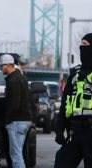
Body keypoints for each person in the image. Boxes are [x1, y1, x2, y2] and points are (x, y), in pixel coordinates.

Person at [54, 33, 92, 167]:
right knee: (61, 163)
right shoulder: (74, 74)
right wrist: (59, 129)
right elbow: (65, 103)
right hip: (75, 131)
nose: (82, 47)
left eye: (85, 45)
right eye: (81, 45)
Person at [0, 54, 32, 168]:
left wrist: (7, 120)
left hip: (16, 121)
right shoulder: (21, 77)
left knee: (16, 154)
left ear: (7, 65)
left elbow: (14, 103)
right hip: (24, 120)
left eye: (1, 66)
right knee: (18, 153)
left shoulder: (13, 80)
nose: (1, 69)